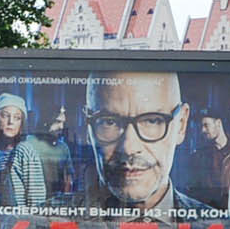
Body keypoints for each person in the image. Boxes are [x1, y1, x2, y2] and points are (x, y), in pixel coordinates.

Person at [83, 70, 214, 217]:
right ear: (88, 128)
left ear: (181, 124)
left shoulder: (227, 228)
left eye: (152, 121)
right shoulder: (58, 220)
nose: (128, 148)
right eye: (109, 122)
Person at [0, 91, 63, 208]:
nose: (11, 122)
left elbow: (36, 199)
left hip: (20, 218)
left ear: (22, 123)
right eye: (5, 116)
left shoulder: (24, 150)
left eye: (17, 118)